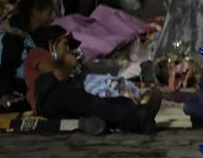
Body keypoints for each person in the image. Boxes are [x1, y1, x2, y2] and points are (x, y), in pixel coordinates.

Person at [23, 24, 161, 134]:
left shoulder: (60, 63)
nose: (68, 50)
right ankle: (137, 121)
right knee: (90, 103)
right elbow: (58, 76)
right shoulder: (38, 53)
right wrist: (68, 64)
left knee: (116, 102)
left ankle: (140, 115)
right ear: (52, 44)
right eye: (65, 44)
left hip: (61, 96)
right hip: (47, 97)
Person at [0, 0, 56, 105]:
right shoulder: (14, 35)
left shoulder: (36, 34)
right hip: (3, 83)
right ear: (36, 13)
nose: (53, 17)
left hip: (17, 80)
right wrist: (5, 95)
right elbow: (5, 67)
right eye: (50, 13)